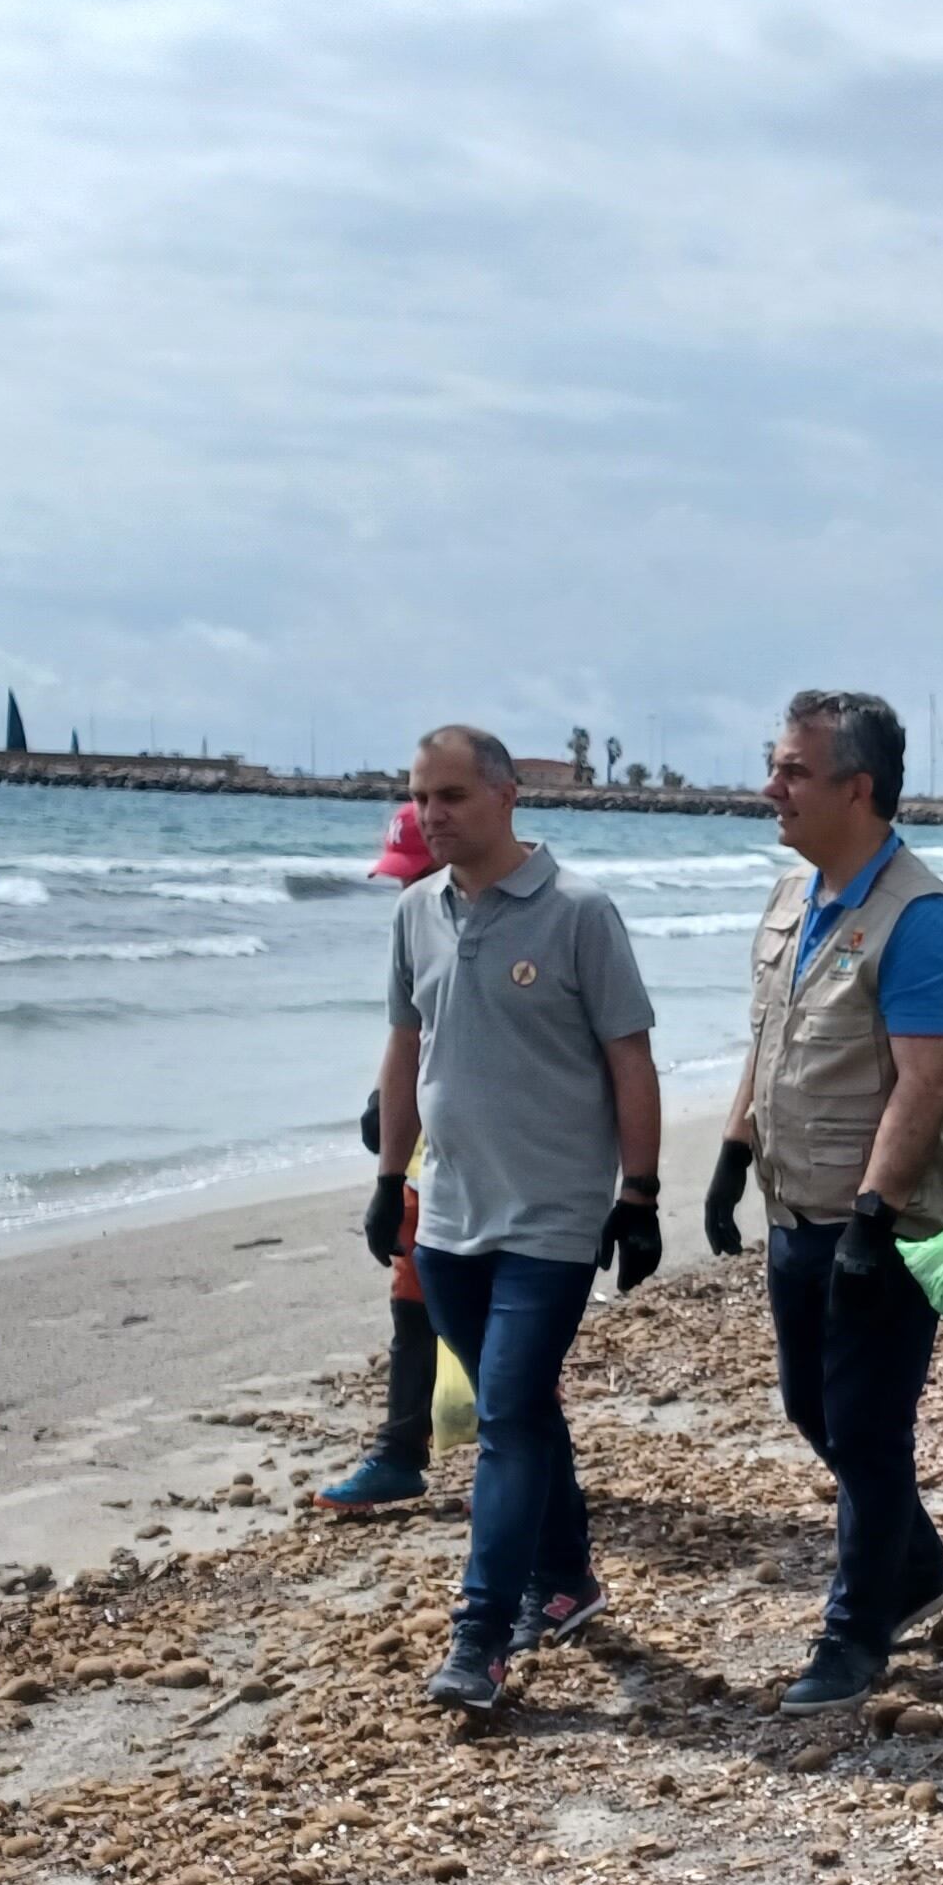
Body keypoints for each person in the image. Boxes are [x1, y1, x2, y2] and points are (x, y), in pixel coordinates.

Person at [706, 690, 943, 1714]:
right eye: (774, 765)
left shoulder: (918, 921)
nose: (770, 788)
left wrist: (875, 1217)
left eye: (792, 770)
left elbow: (922, 1083)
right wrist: (735, 1151)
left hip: (880, 1226)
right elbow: (771, 1037)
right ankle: (912, 1565)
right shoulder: (792, 897)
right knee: (811, 1407)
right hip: (796, 1209)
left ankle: (855, 1629)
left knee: (868, 1429)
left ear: (856, 787)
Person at [371, 727, 663, 1711]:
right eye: (421, 797)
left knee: (503, 1415)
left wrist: (641, 1193)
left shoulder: (579, 911)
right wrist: (387, 1179)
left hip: (552, 1217)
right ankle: (569, 1577)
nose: (433, 814)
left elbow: (631, 1057)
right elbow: (406, 1049)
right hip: (449, 1214)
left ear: (505, 797)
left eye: (451, 794)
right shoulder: (417, 912)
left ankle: (483, 1633)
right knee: (523, 1407)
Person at [322, 804, 444, 1512]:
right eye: (400, 878)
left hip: (495, 1170)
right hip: (427, 1173)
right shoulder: (416, 930)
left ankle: (523, 1453)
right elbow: (407, 1035)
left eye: (416, 874)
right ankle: (400, 1452)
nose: (406, 890)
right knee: (412, 1306)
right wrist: (386, 1168)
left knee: (497, 1315)